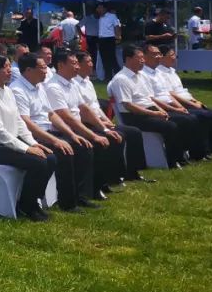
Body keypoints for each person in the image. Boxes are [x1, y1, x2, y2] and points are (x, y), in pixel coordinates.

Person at [11, 52, 97, 212]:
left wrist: (72, 134)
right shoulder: (17, 90)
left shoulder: (39, 86)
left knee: (82, 146)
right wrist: (55, 140)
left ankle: (81, 196)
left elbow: (51, 114)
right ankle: (67, 202)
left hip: (48, 132)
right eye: (42, 68)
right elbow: (26, 123)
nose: (46, 71)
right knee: (64, 152)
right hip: (32, 137)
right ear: (28, 70)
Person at [0, 54, 57, 221]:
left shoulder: (7, 91)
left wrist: (34, 144)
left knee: (50, 158)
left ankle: (33, 199)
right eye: (5, 67)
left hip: (7, 144)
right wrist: (26, 149)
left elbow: (19, 122)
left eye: (9, 66)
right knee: (38, 163)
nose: (9, 70)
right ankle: (27, 205)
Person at [43, 49, 123, 199]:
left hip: (78, 126)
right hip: (65, 129)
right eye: (73, 63)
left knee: (109, 138)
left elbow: (84, 109)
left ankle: (100, 184)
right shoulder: (53, 87)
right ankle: (83, 194)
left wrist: (104, 129)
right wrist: (93, 135)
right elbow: (67, 118)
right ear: (61, 65)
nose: (77, 67)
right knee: (90, 145)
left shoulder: (72, 83)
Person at [73, 50, 152, 183]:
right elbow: (84, 111)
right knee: (115, 137)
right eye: (88, 62)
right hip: (87, 123)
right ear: (79, 65)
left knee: (133, 133)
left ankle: (132, 172)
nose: (91, 64)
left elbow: (96, 107)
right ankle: (112, 176)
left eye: (91, 61)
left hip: (98, 120)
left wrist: (106, 120)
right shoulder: (75, 84)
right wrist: (102, 125)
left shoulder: (88, 82)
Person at [107, 45, 188, 169]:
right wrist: (154, 114)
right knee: (171, 126)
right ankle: (173, 161)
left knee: (182, 120)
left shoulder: (142, 75)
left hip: (150, 110)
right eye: (139, 58)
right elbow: (128, 105)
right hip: (134, 116)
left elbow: (150, 98)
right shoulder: (121, 79)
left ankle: (182, 155)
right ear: (128, 59)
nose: (143, 60)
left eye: (143, 58)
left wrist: (161, 110)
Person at [139, 44, 210, 161]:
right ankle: (190, 155)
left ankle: (198, 153)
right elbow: (152, 99)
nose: (158, 56)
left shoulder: (158, 73)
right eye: (155, 54)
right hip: (159, 108)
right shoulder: (143, 74)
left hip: (169, 105)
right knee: (190, 119)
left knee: (195, 117)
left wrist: (180, 107)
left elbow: (169, 94)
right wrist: (175, 109)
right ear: (145, 56)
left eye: (159, 54)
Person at [158, 46, 212, 153]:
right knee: (208, 117)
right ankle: (202, 151)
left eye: (175, 55)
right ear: (162, 57)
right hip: (182, 104)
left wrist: (196, 101)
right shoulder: (160, 74)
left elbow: (183, 91)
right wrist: (191, 105)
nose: (175, 57)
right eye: (172, 55)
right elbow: (171, 94)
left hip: (190, 102)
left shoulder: (172, 72)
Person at [94, 2, 122, 80]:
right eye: (97, 8)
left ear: (104, 8)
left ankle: (119, 74)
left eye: (100, 8)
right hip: (101, 39)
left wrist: (118, 37)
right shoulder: (99, 17)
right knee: (104, 59)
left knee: (112, 58)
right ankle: (108, 77)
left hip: (109, 39)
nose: (98, 9)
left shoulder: (112, 16)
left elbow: (116, 26)